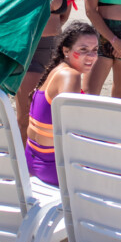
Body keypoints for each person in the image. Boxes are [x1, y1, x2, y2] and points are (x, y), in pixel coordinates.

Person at [4, 0, 72, 142]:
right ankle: (21, 158)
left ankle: (40, 156)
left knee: (50, 114)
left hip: (56, 52)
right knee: (26, 115)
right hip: (29, 51)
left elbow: (63, 16)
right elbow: (4, 18)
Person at [26, 21, 99, 185]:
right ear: (66, 50)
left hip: (33, 160)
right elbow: (71, 129)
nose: (91, 56)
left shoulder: (57, 70)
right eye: (83, 50)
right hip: (53, 168)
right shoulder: (70, 76)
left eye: (95, 50)